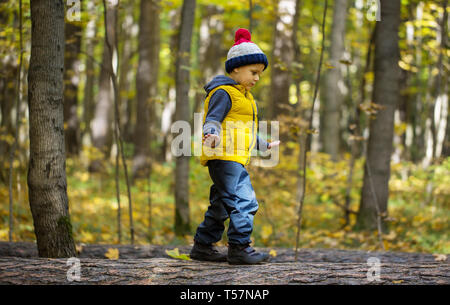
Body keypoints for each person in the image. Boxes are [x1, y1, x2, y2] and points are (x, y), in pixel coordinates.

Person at [190, 28, 280, 264]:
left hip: (233, 156)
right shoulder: (224, 93)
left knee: (221, 204)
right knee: (245, 201)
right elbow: (213, 119)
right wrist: (211, 135)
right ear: (236, 68)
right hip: (224, 156)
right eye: (254, 72)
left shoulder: (244, 97)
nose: (257, 78)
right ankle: (240, 248)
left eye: (260, 74)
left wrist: (264, 144)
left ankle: (202, 246)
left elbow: (245, 130)